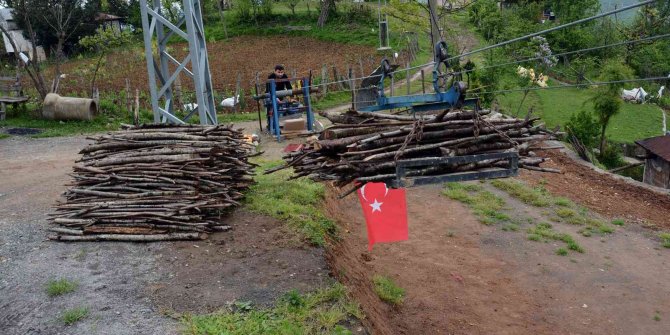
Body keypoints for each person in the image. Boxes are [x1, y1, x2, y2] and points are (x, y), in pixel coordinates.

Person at [265, 65, 293, 130]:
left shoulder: (285, 76)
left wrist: (291, 96)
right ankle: (271, 125)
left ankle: (288, 124)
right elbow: (269, 90)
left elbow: (289, 86)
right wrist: (275, 98)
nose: (280, 74)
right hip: (271, 95)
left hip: (281, 95)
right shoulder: (270, 77)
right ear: (275, 71)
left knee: (288, 107)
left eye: (281, 72)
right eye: (278, 72)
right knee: (272, 109)